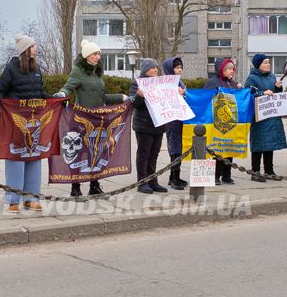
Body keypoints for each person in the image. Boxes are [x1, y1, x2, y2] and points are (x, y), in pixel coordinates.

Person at [56, 40, 126, 197]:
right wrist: (61, 95)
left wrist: (123, 97)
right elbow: (68, 88)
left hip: (99, 119)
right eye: (95, 53)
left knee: (97, 152)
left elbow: (102, 96)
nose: (98, 56)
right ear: (87, 55)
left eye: (99, 53)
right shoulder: (78, 71)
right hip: (82, 119)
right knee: (78, 153)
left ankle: (94, 185)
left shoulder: (97, 73)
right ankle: (75, 187)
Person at [0, 35, 48, 213]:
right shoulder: (11, 69)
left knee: (34, 158)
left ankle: (31, 198)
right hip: (17, 123)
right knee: (16, 159)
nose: (35, 49)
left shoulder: (36, 69)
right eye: (32, 46)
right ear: (25, 50)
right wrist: (3, 104)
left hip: (35, 123)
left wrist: (56, 100)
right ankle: (13, 199)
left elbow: (40, 93)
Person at [129, 58, 170, 194]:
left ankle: (153, 180)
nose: (156, 69)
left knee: (154, 154)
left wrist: (176, 93)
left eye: (157, 67)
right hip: (143, 125)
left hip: (158, 124)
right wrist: (139, 95)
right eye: (153, 67)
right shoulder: (137, 84)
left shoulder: (160, 83)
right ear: (146, 69)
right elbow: (133, 104)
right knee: (144, 153)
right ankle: (142, 182)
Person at [245, 54, 286, 181]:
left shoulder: (272, 77)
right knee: (258, 144)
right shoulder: (252, 78)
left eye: (268, 62)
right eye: (265, 62)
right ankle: (255, 172)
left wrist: (279, 88)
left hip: (272, 116)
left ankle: (269, 170)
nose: (268, 64)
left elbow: (277, 94)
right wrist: (262, 93)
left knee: (270, 145)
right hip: (259, 118)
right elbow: (248, 95)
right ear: (258, 65)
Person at [205, 58, 240, 184]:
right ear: (221, 70)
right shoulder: (213, 82)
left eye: (233, 69)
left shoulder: (233, 84)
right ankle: (215, 176)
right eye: (229, 69)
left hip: (230, 122)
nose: (232, 71)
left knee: (229, 149)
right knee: (218, 150)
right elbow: (206, 99)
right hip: (217, 123)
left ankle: (227, 174)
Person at [162, 56, 188, 190]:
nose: (180, 70)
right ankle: (174, 177)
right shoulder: (166, 83)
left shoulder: (180, 83)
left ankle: (175, 177)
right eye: (177, 67)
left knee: (180, 147)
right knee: (175, 148)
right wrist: (175, 93)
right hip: (172, 121)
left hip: (180, 119)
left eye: (181, 67)